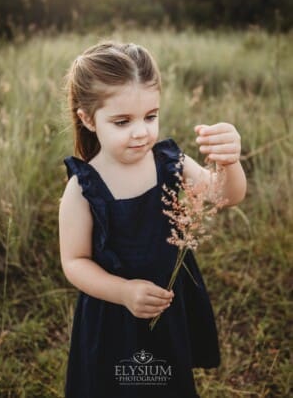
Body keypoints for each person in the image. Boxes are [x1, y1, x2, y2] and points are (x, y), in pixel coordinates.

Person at [59, 40, 247, 398]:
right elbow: (74, 262)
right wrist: (123, 291)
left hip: (167, 297)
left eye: (150, 116)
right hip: (113, 311)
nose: (141, 132)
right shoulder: (83, 188)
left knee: (166, 380)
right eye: (122, 121)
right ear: (87, 119)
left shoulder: (168, 161)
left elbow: (226, 196)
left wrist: (229, 161)